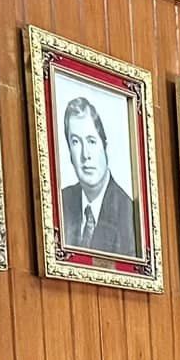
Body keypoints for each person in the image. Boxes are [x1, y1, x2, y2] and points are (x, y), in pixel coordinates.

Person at [58, 97, 139, 258]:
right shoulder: (61, 201)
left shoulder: (128, 213)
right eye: (76, 142)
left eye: (91, 141)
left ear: (104, 146)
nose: (85, 155)